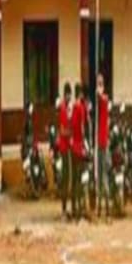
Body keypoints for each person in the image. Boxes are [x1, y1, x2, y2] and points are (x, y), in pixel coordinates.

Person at [71, 82, 87, 220]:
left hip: (73, 147)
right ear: (81, 94)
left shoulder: (72, 107)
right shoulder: (80, 107)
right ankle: (79, 209)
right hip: (79, 147)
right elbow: (81, 127)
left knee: (75, 178)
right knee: (80, 178)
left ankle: (75, 208)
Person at [95, 72, 111, 219]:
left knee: (104, 177)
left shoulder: (104, 99)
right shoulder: (97, 103)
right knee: (98, 177)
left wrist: (99, 94)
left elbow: (103, 99)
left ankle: (106, 210)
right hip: (97, 144)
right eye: (97, 83)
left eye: (101, 84)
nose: (98, 87)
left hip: (103, 144)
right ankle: (99, 209)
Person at [57, 81, 73, 217]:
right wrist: (71, 133)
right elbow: (62, 130)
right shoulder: (63, 109)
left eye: (70, 95)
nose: (69, 97)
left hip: (70, 147)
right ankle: (63, 208)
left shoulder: (69, 108)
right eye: (67, 95)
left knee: (70, 178)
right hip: (64, 148)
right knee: (65, 179)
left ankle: (69, 207)